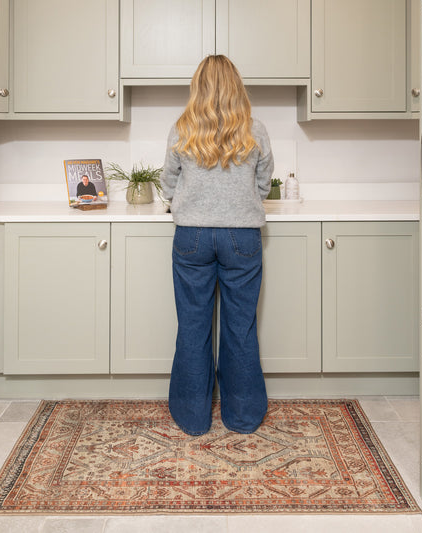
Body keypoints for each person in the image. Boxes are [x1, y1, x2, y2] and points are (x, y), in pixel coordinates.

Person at [161, 55, 274, 436]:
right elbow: (263, 183)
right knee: (240, 326)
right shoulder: (255, 129)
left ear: (198, 87)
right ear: (236, 86)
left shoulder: (182, 129)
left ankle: (193, 417)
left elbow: (168, 183)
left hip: (191, 236)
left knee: (193, 325)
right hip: (242, 236)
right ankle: (242, 417)